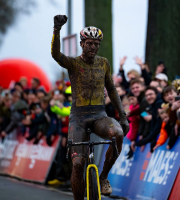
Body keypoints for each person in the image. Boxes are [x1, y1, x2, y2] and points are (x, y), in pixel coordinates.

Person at [51, 15, 129, 199]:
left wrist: (123, 115)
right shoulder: (73, 63)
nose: (93, 47)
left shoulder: (103, 63)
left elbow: (111, 89)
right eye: (89, 43)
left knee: (117, 133)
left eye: (96, 44)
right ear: (82, 44)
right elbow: (56, 55)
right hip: (78, 117)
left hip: (99, 115)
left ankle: (103, 178)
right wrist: (57, 29)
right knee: (78, 164)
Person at [136, 86, 163, 152]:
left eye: (150, 94)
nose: (148, 97)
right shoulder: (145, 103)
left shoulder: (159, 103)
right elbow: (142, 116)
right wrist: (142, 134)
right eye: (146, 95)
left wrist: (147, 139)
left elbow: (158, 123)